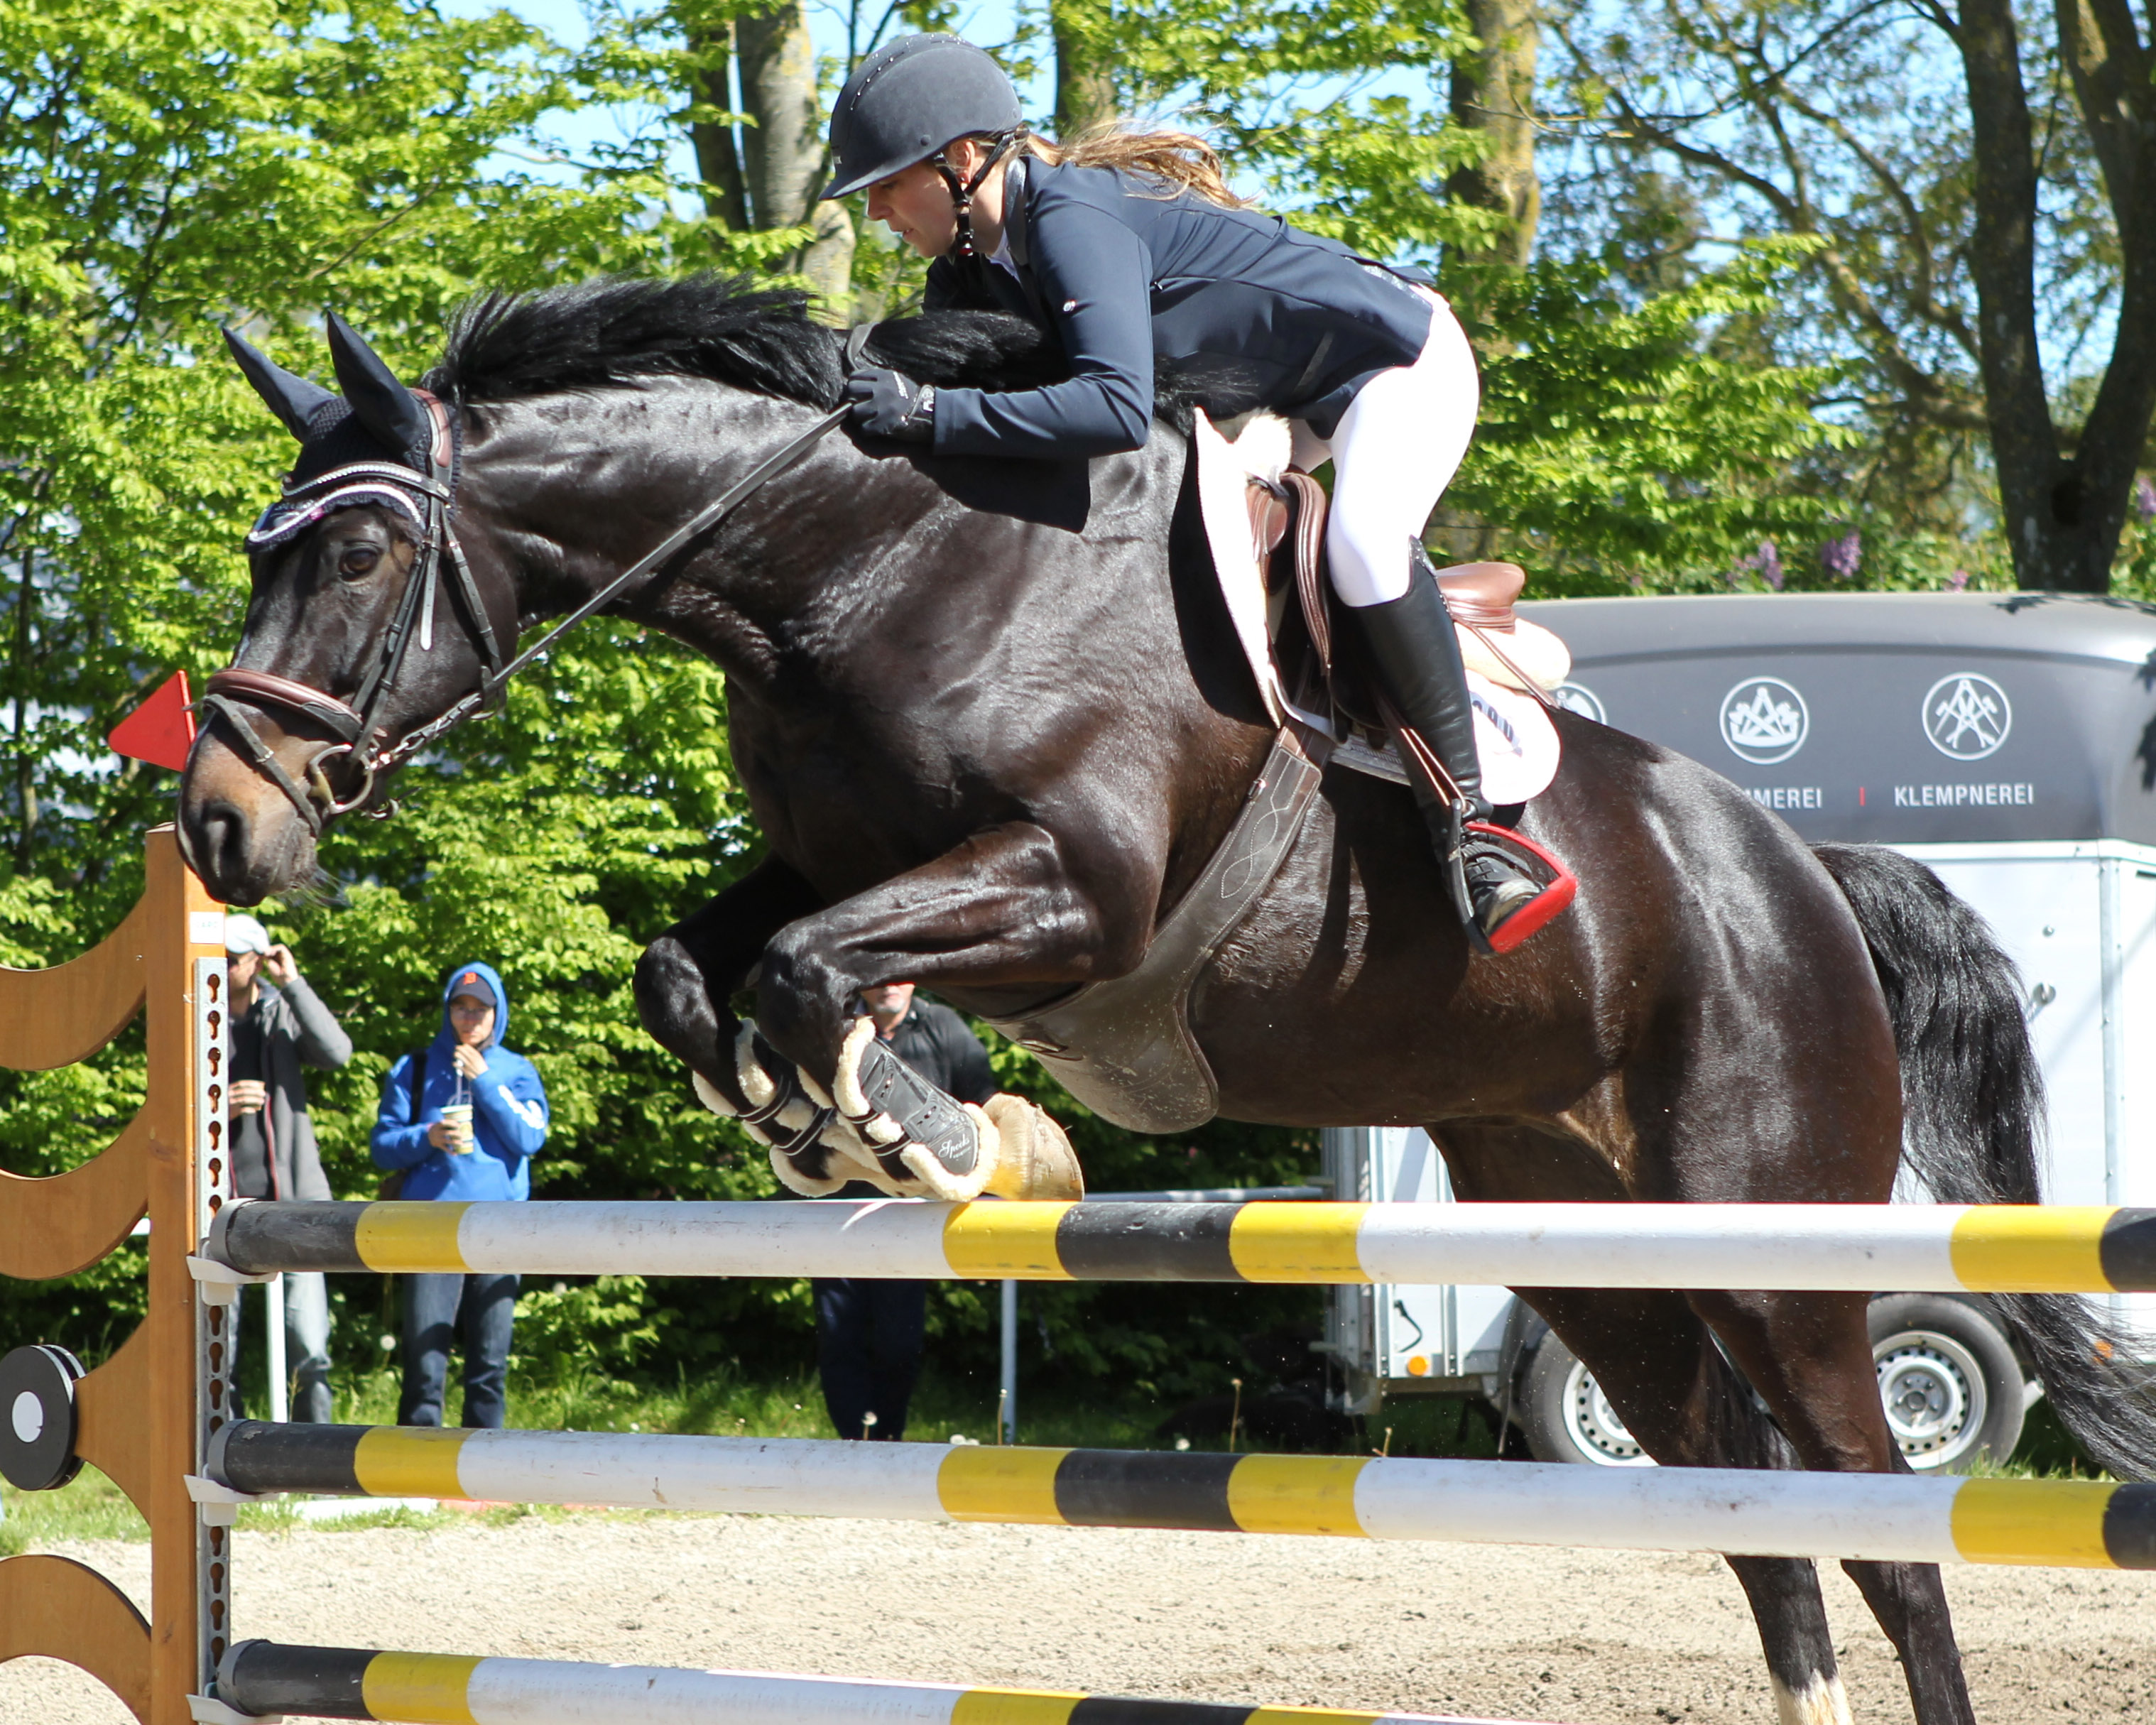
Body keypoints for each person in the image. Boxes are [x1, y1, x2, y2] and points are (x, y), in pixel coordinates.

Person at [822, 35, 1569, 949]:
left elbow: (1111, 407)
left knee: (1364, 545)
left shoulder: (1070, 218)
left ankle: (1475, 832)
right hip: (1279, 402)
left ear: (963, 159)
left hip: (1390, 364)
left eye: (889, 183)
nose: (875, 208)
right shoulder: (969, 274)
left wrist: (931, 412)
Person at [814, 981, 996, 1440]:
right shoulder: (833, 1030)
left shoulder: (945, 1028)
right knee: (838, 1337)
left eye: (899, 973)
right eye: (880, 975)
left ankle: (887, 1442)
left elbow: (983, 1110)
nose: (890, 984)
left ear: (914, 977)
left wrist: (987, 1197)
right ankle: (854, 1447)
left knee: (899, 1342)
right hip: (840, 1211)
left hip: (911, 1217)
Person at [370, 962, 548, 1427]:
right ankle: (416, 1461)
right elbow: (381, 1147)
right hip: (431, 1227)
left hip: (502, 1227)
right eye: (460, 1007)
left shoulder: (517, 1070)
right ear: (447, 1011)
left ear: (497, 1013)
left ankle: (486, 1462)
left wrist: (485, 1079)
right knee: (424, 1364)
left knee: (489, 1363)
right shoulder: (414, 1068)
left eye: (480, 1009)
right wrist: (426, 1136)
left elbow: (531, 1137)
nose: (469, 1018)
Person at [224, 913, 352, 1422]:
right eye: (214, 957)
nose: (220, 966)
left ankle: (314, 1448)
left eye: (231, 958)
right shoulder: (195, 1019)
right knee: (216, 1349)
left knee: (309, 1343)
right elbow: (166, 1111)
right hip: (222, 1206)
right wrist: (219, 1107)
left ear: (257, 962)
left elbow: (337, 1053)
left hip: (296, 1202)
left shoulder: (281, 1012)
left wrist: (293, 982)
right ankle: (221, 1445)